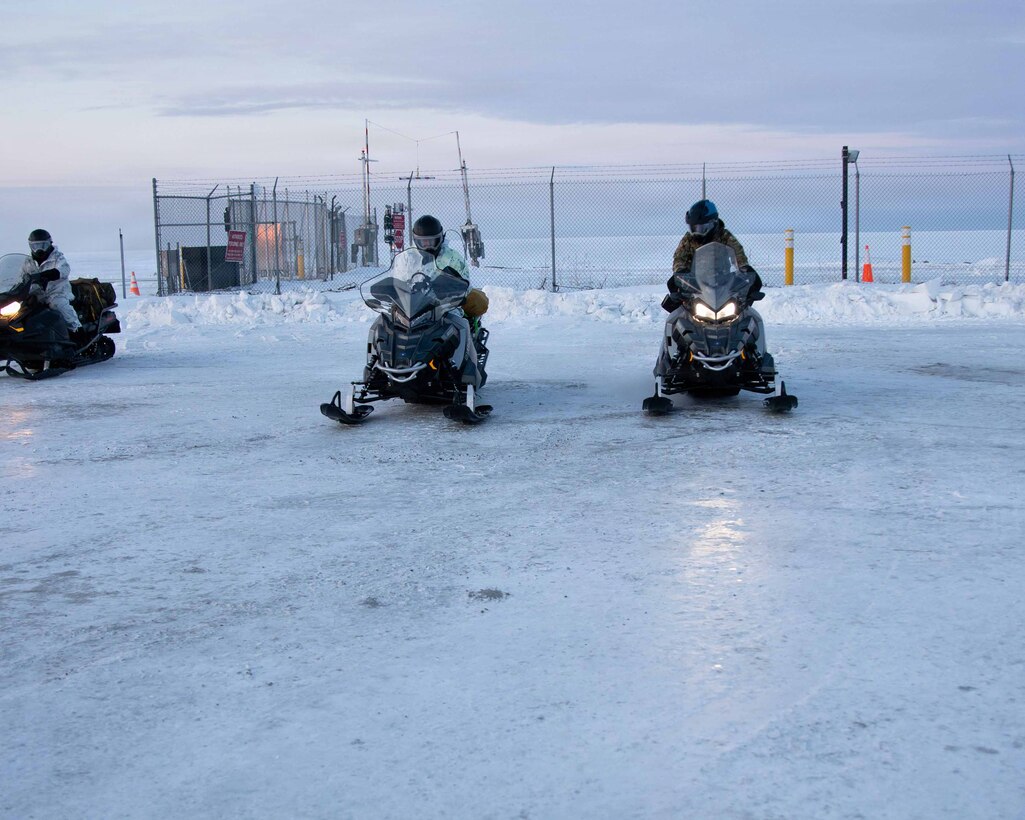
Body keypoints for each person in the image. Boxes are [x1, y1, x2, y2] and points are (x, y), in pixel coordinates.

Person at [664, 200, 763, 312]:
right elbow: (680, 257)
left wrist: (744, 267)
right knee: (674, 294)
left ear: (713, 223)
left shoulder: (725, 236)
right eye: (693, 228)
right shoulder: (688, 239)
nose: (696, 232)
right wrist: (681, 270)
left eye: (701, 228)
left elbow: (738, 253)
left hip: (723, 281)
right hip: (695, 282)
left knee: (746, 309)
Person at [411, 215, 489, 324]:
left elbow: (463, 284)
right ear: (416, 241)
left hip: (446, 306)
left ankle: (466, 331)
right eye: (423, 242)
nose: (427, 246)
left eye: (431, 241)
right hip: (415, 304)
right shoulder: (409, 258)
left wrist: (445, 289)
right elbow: (399, 277)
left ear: (440, 239)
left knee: (472, 306)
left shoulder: (452, 258)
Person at [24, 228, 82, 332]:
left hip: (57, 291)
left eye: (43, 245)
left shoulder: (57, 257)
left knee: (58, 305)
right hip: (36, 293)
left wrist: (52, 273)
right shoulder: (28, 261)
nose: (39, 249)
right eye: (35, 246)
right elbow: (21, 275)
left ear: (49, 244)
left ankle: (76, 329)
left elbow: (64, 269)